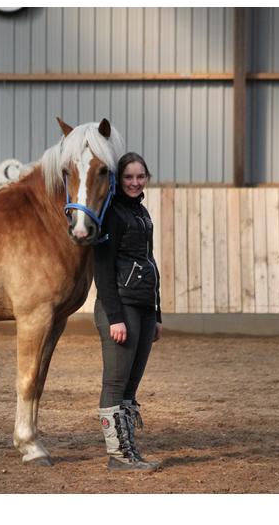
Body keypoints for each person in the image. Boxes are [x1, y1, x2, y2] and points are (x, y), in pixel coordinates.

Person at [93, 152, 163, 471]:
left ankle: (128, 450)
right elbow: (103, 268)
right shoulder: (112, 214)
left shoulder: (142, 213)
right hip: (121, 307)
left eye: (140, 176)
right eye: (128, 177)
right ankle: (118, 456)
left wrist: (156, 314)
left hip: (144, 307)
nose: (135, 182)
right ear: (118, 180)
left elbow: (149, 263)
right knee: (115, 383)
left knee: (130, 387)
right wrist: (115, 317)